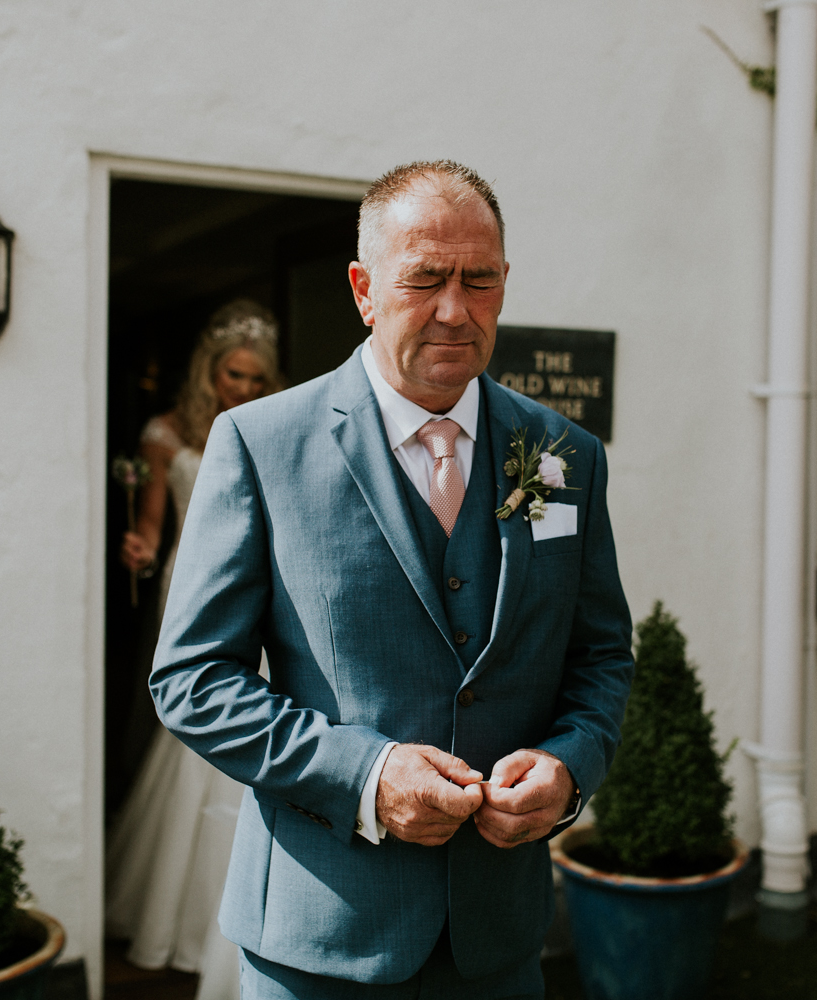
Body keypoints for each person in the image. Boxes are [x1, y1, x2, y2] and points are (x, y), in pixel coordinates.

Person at [151, 161, 634, 999]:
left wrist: (570, 769)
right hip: (317, 942)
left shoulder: (561, 459)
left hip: (501, 945)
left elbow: (600, 658)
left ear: (505, 282)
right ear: (364, 289)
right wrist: (366, 778)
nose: (456, 309)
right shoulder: (261, 445)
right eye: (426, 280)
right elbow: (192, 681)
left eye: (479, 281)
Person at [105, 303, 283, 985]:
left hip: (257, 587)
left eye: (256, 379)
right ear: (211, 372)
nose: (243, 389)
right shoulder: (167, 433)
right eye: (233, 375)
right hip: (189, 581)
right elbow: (152, 526)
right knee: (189, 710)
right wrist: (139, 550)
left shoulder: (272, 428)